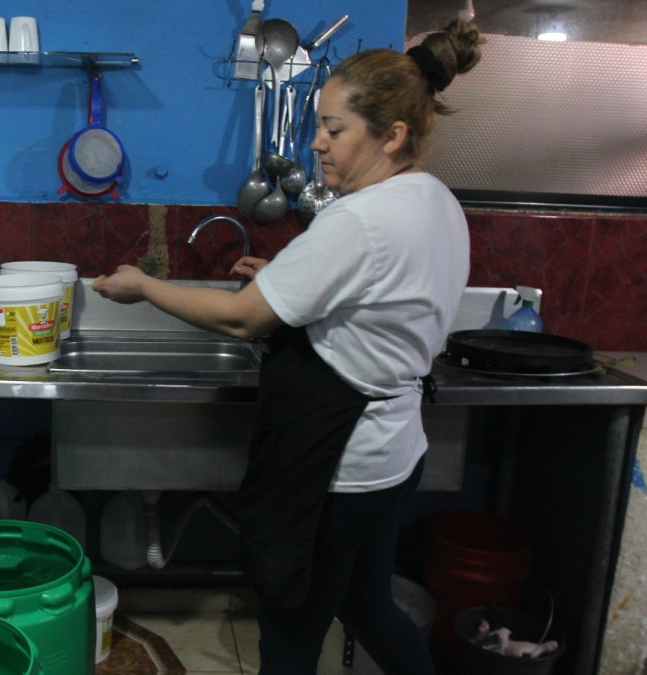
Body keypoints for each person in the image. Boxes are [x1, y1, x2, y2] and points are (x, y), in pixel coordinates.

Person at [92, 19, 484, 674]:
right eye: (319, 125)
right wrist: (282, 283)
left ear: (393, 134)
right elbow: (372, 297)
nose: (318, 144)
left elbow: (243, 322)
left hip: (340, 468)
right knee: (369, 606)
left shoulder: (359, 219)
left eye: (336, 129)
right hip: (396, 452)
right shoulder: (434, 199)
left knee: (291, 631)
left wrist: (147, 286)